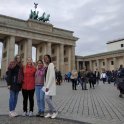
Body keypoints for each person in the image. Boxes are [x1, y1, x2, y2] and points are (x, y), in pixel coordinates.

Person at [43, 55, 58, 119]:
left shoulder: (51, 64)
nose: (45, 59)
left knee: (47, 98)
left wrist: (47, 86)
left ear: (49, 58)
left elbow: (52, 76)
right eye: (44, 58)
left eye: (46, 58)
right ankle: (50, 112)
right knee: (49, 98)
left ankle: (55, 111)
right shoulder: (47, 66)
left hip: (49, 86)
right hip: (47, 85)